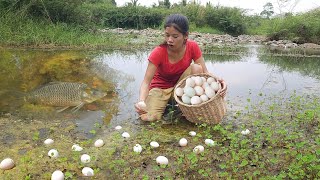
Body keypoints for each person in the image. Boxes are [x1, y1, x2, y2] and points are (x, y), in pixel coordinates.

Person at [134, 14, 227, 121]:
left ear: (185, 35)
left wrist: (219, 82)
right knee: (149, 118)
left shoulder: (192, 46)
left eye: (175, 36)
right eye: (167, 35)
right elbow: (146, 82)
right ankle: (169, 106)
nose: (169, 40)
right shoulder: (158, 52)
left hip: (181, 87)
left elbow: (205, 73)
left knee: (197, 68)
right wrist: (141, 102)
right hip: (160, 89)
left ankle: (183, 106)